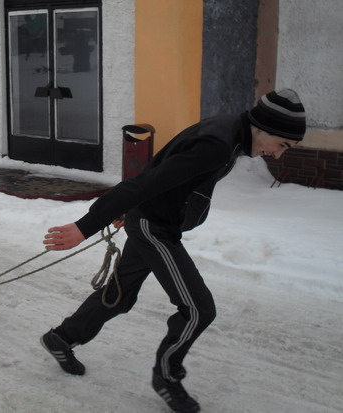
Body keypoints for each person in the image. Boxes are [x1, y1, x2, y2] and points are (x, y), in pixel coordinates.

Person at [40, 89, 306, 413]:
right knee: (199, 309)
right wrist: (86, 225)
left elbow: (160, 166)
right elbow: (145, 182)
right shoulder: (218, 145)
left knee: (120, 296)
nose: (278, 155)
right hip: (156, 229)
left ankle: (62, 338)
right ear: (266, 129)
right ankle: (166, 377)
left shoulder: (229, 130)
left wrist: (133, 206)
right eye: (282, 145)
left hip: (151, 219)